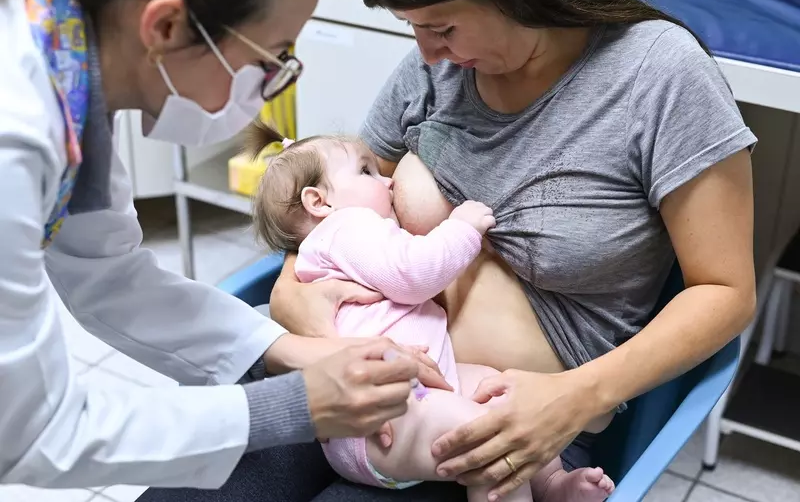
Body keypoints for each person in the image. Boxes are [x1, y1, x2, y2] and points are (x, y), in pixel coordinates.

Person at [141, 0, 757, 500]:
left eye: (442, 28)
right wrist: (293, 298)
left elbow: (725, 290)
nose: (427, 52)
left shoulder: (661, 76)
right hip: (350, 371)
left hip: (497, 426)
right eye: (413, 27)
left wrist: (574, 396)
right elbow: (331, 206)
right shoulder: (436, 69)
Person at [0, 0, 450, 491]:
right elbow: (34, 433)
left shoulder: (67, 64)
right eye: (268, 60)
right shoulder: (15, 135)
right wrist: (294, 405)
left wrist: (289, 350)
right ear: (165, 26)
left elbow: (106, 273)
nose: (266, 96)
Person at [246, 132, 616, 502]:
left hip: (414, 394)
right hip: (391, 409)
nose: (387, 180)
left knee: (500, 392)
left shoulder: (334, 243)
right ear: (319, 202)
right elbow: (412, 275)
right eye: (366, 172)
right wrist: (463, 229)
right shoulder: (347, 228)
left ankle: (549, 483)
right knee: (491, 436)